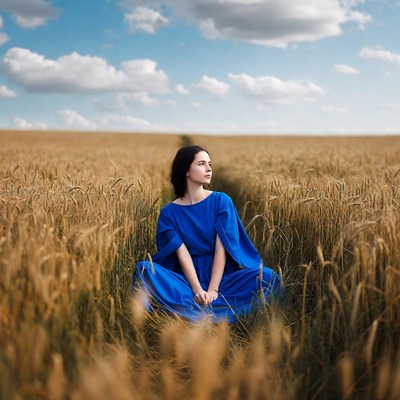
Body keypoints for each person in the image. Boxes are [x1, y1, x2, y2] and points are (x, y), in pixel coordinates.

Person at [134, 145, 282, 323]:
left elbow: (221, 250)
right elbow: (183, 255)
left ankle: (190, 310)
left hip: (223, 277)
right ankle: (188, 307)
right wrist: (197, 289)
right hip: (187, 280)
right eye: (202, 164)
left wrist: (213, 290)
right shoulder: (169, 213)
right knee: (143, 268)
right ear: (186, 170)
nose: (209, 169)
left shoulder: (221, 201)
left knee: (268, 277)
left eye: (210, 164)